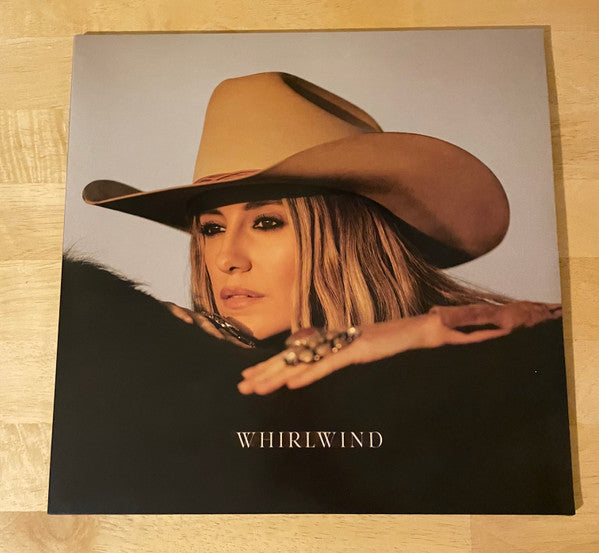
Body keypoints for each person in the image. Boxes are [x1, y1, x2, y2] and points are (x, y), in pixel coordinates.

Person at [83, 71, 561, 395]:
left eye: (267, 222)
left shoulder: (499, 355)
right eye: (211, 228)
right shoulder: (190, 384)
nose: (227, 259)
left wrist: (401, 334)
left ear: (348, 241)